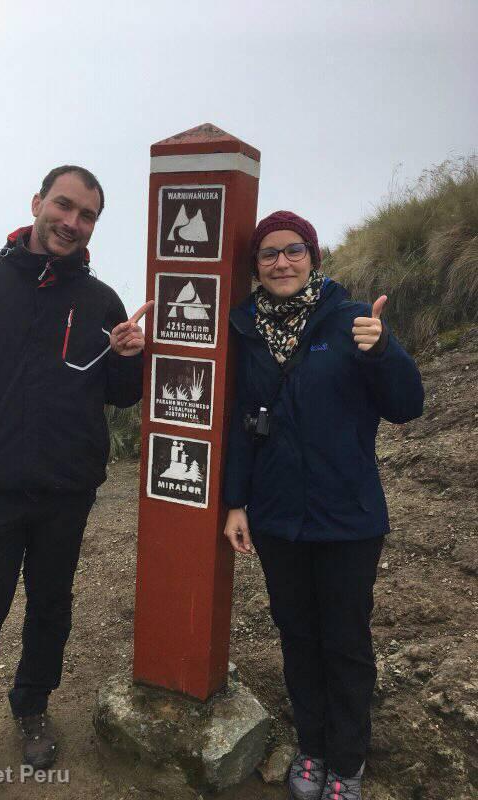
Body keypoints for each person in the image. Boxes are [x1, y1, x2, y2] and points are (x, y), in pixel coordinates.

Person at [0, 165, 152, 799]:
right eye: (64, 205)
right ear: (37, 203)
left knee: (51, 606)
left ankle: (32, 706)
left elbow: (119, 396)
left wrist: (129, 358)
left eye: (87, 215)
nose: (72, 222)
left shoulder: (101, 301)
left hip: (67, 491)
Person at [223, 211, 424, 800]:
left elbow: (407, 405)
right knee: (297, 636)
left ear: (313, 256)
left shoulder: (352, 318)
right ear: (256, 266)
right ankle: (312, 747)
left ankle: (348, 760)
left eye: (294, 250)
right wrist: (236, 502)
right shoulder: (245, 327)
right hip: (277, 516)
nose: (281, 262)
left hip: (348, 516)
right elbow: (241, 423)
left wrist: (383, 350)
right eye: (268, 254)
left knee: (344, 641)